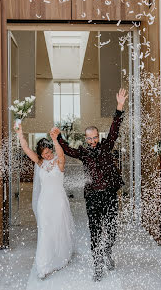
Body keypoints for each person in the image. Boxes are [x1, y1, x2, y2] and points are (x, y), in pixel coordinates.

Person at [51, 88, 127, 282]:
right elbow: (67, 149)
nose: (92, 141)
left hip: (109, 194)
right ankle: (97, 265)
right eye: (89, 138)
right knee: (95, 231)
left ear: (98, 137)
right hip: (92, 197)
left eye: (95, 137)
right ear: (85, 139)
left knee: (111, 230)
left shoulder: (106, 146)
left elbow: (114, 129)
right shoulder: (83, 152)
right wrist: (58, 137)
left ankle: (108, 251)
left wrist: (119, 106)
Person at [15, 124, 74, 279]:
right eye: (43, 153)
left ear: (51, 149)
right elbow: (27, 150)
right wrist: (21, 134)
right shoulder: (40, 163)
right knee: (45, 232)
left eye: (48, 152)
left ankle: (59, 256)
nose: (47, 155)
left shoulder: (59, 161)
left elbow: (61, 155)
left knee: (57, 230)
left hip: (58, 201)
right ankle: (43, 265)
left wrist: (55, 139)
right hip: (44, 203)